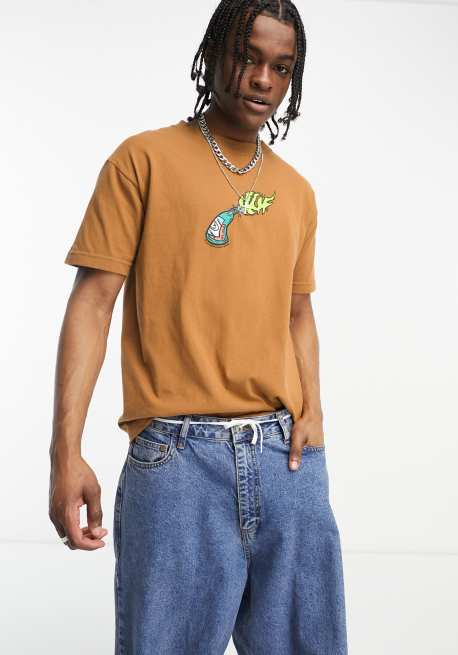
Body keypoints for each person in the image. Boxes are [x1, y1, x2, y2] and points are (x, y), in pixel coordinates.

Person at [48, 1, 348, 653]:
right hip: (177, 462)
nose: (263, 79)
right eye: (248, 57)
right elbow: (93, 304)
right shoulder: (142, 160)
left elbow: (297, 311)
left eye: (281, 67)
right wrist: (64, 452)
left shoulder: (296, 192)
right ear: (213, 55)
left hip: (286, 460)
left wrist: (314, 412)